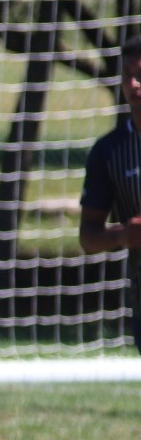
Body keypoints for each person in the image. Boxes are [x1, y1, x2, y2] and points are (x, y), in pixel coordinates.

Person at [79, 34, 141, 345]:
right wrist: (121, 235)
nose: (133, 86)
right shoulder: (109, 151)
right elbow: (88, 236)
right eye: (128, 76)